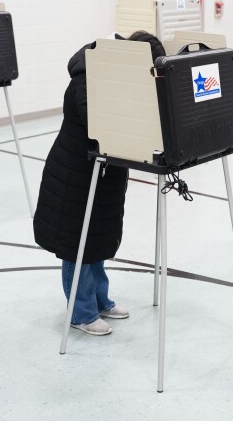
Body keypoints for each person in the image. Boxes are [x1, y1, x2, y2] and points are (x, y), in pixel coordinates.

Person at [34, 30, 166, 336]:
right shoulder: (89, 79)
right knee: (77, 244)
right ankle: (81, 313)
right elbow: (103, 127)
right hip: (75, 173)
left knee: (97, 240)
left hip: (104, 171)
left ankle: (100, 300)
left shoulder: (118, 77)